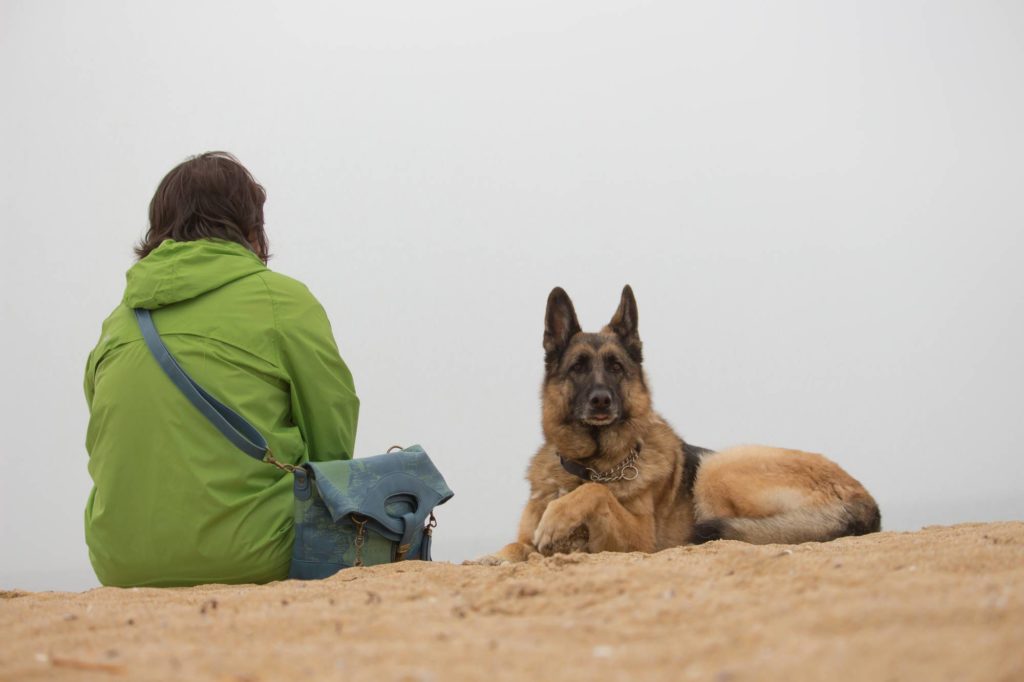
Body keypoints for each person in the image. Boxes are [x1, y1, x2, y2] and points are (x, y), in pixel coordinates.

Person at [84, 152, 359, 587]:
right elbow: (332, 438)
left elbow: (106, 433)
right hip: (255, 553)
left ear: (158, 231)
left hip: (119, 562)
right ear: (252, 229)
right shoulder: (281, 300)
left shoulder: (119, 321)